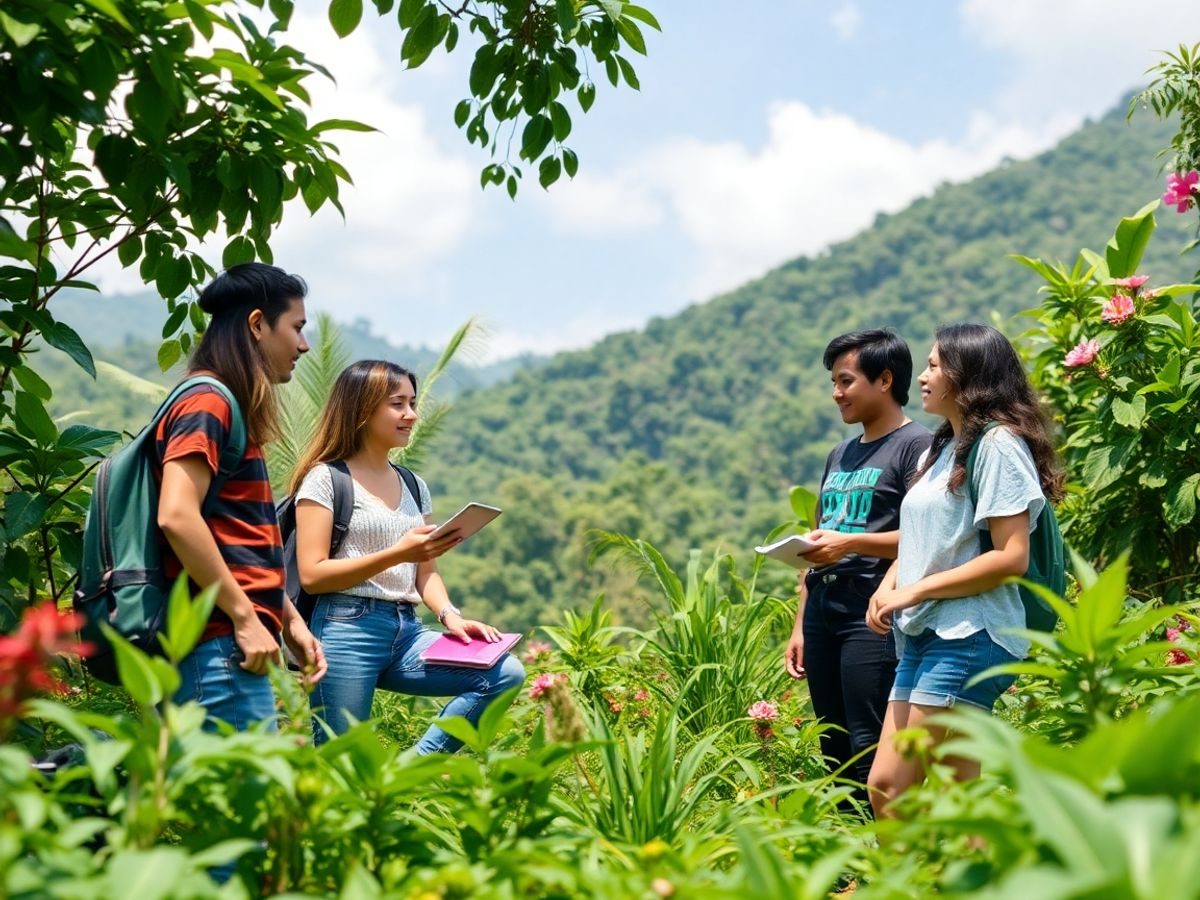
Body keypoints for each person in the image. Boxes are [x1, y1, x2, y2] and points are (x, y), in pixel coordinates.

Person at [865, 323, 1063, 818]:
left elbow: (1010, 555)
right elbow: (923, 538)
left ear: (967, 375)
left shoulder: (996, 446)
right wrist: (890, 584)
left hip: (970, 631)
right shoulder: (940, 449)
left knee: (896, 784)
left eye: (934, 366)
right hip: (925, 632)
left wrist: (912, 592)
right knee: (954, 792)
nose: (925, 376)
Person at [290, 360, 525, 753]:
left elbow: (425, 572)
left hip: (406, 630)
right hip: (345, 629)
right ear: (362, 410)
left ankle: (406, 778)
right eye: (397, 404)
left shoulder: (414, 485)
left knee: (504, 674)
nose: (411, 415)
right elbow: (313, 574)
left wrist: (451, 615)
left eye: (412, 403)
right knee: (341, 758)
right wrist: (396, 552)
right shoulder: (325, 479)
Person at [156, 263, 327, 731]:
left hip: (228, 642)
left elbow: (232, 536)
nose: (304, 345)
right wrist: (246, 616)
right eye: (296, 327)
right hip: (217, 645)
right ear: (257, 324)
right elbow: (176, 515)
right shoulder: (207, 402)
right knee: (235, 798)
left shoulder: (223, 405)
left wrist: (288, 620)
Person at [784, 329, 932, 806]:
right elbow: (819, 537)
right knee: (833, 744)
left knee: (868, 740)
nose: (836, 393)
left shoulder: (916, 446)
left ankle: (886, 861)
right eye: (833, 381)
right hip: (824, 612)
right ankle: (848, 866)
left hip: (872, 615)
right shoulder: (839, 455)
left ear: (885, 379)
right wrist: (800, 623)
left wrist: (851, 544)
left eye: (845, 381)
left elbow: (927, 537)